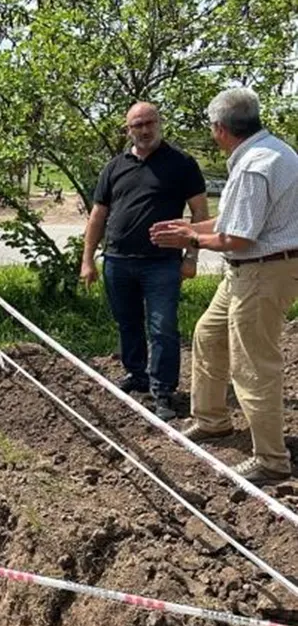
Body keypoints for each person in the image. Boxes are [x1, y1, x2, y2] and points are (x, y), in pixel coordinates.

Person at [150, 87, 298, 485]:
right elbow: (232, 221)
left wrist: (189, 241)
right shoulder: (269, 152)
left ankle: (271, 459)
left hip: (261, 271)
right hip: (250, 269)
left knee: (252, 364)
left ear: (219, 128)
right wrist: (190, 227)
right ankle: (212, 420)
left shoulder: (253, 167)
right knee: (209, 334)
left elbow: (239, 239)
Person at [81, 102, 209, 420]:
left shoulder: (181, 163)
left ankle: (163, 391)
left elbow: (200, 213)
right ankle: (136, 375)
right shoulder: (115, 167)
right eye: (136, 125)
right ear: (128, 130)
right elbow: (98, 215)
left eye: (149, 122)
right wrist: (87, 260)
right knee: (128, 322)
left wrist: (191, 255)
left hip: (162, 264)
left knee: (162, 327)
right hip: (118, 261)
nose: (144, 129)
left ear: (159, 123)